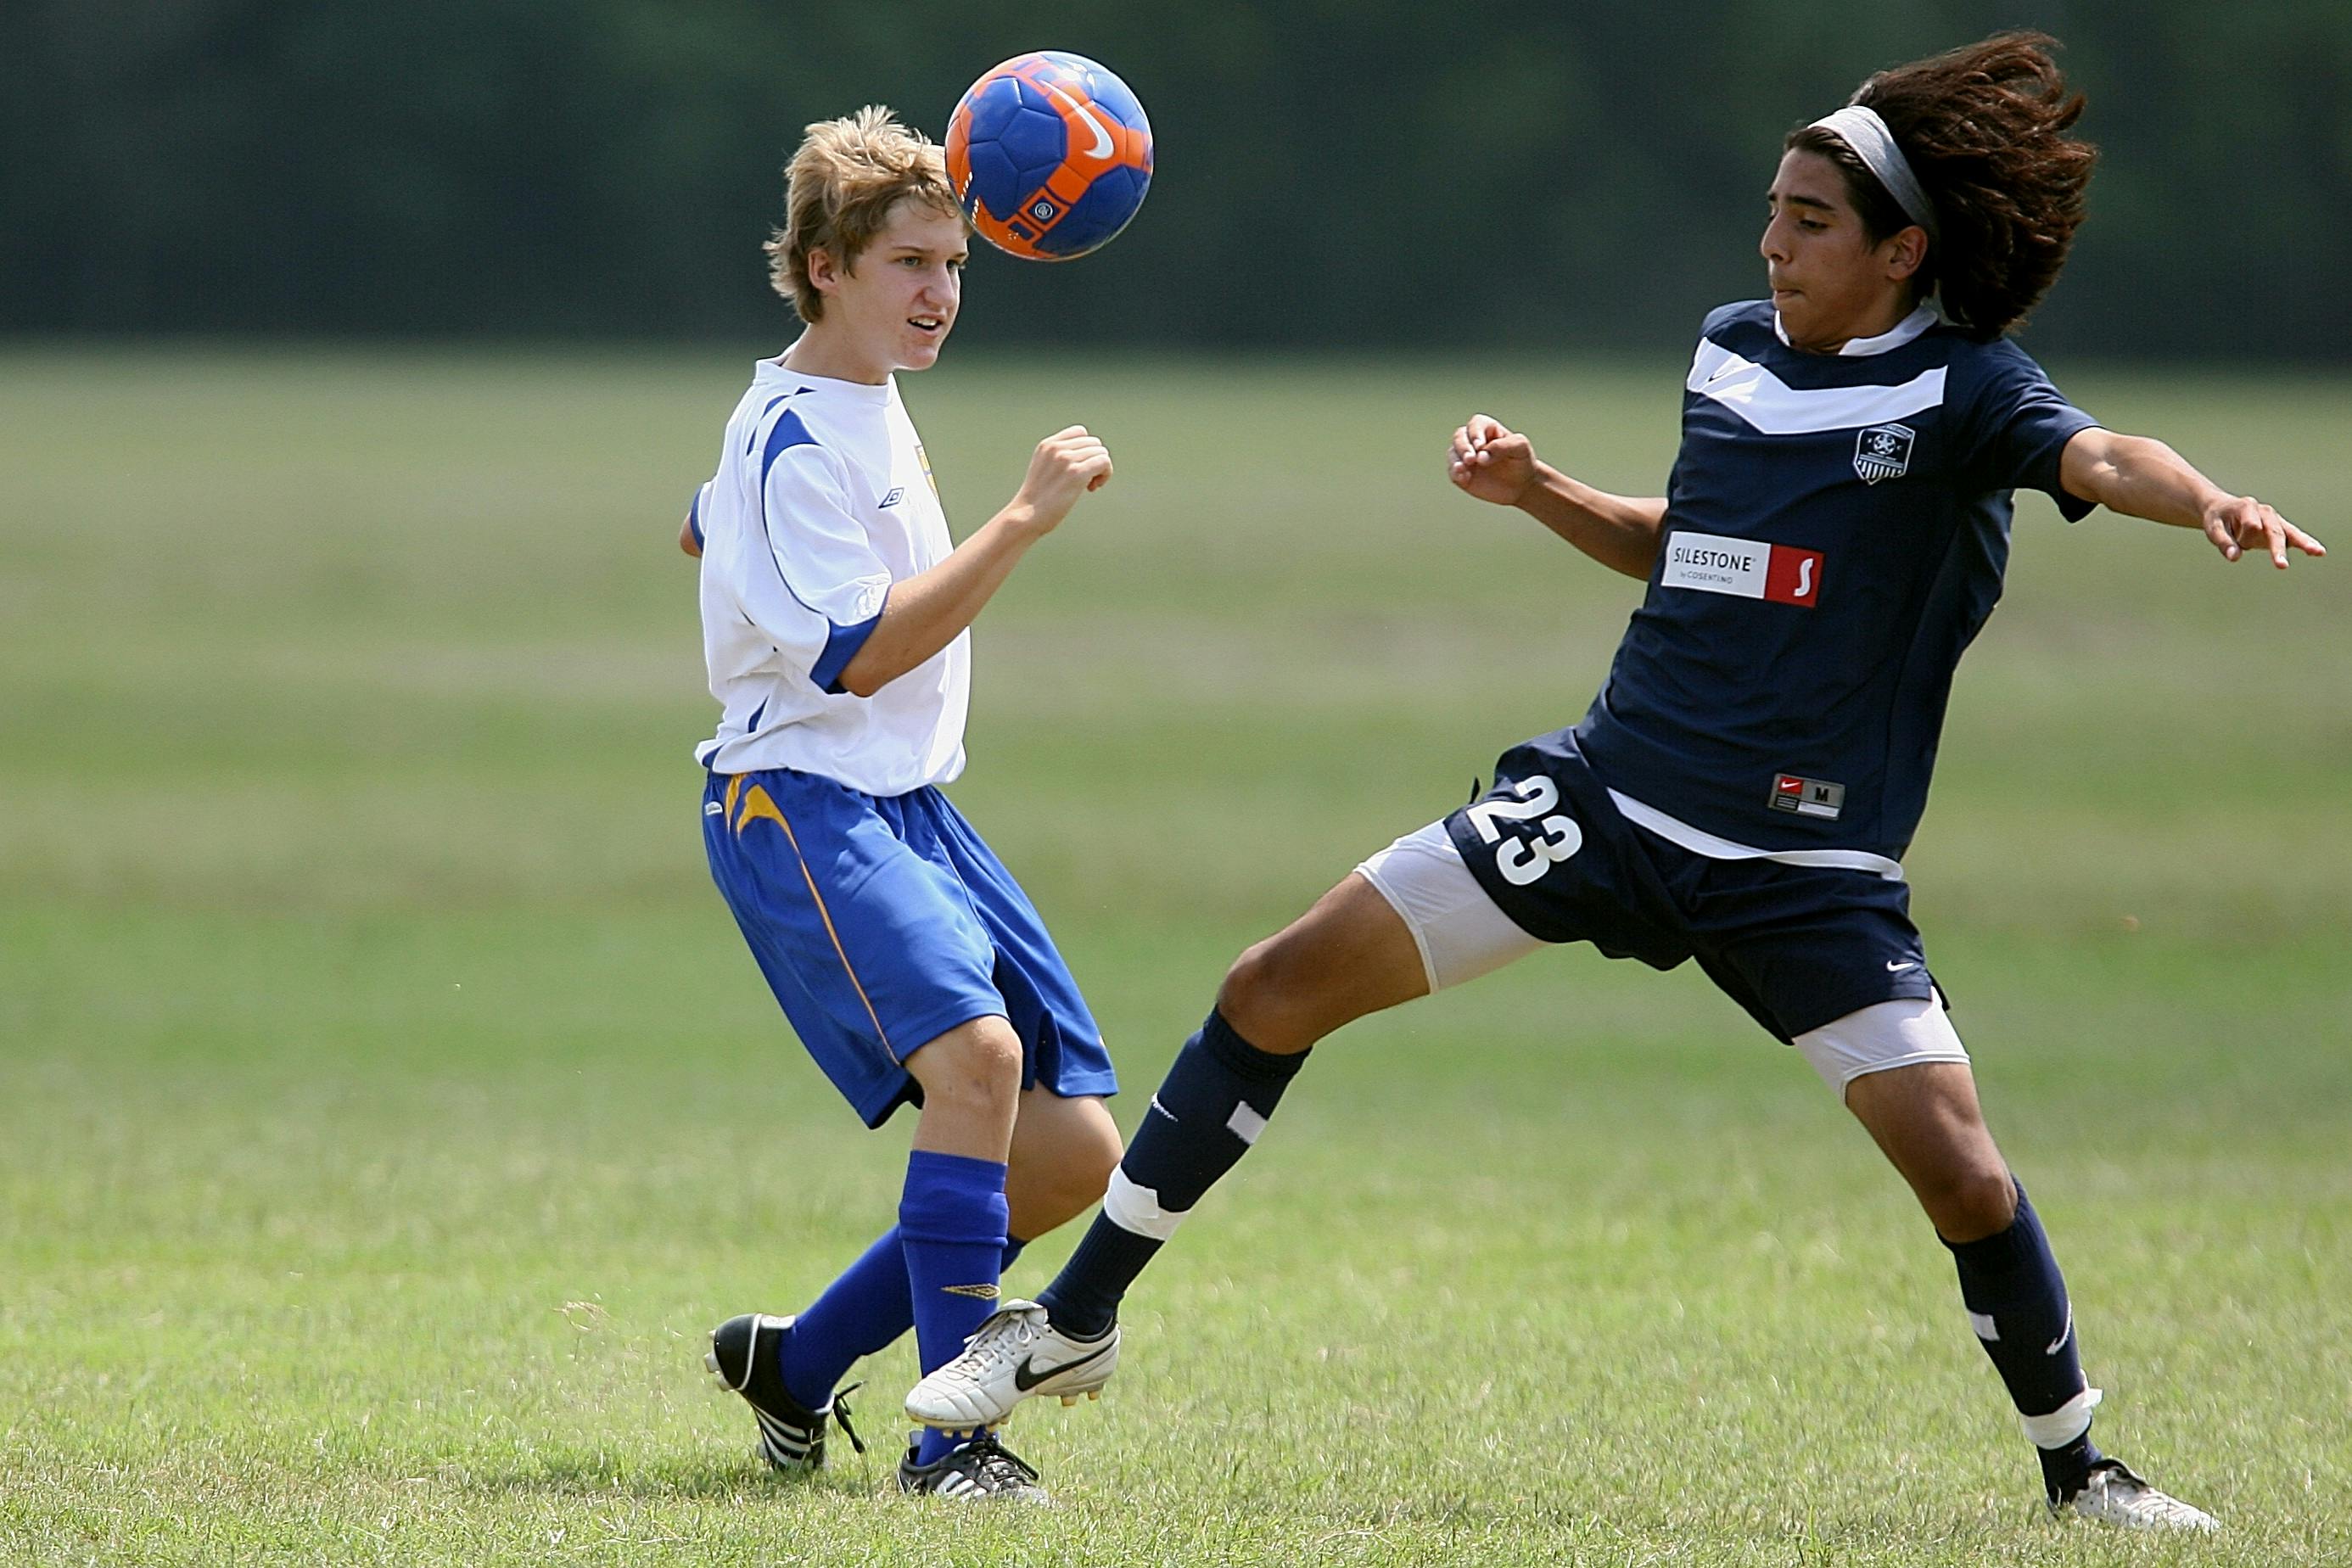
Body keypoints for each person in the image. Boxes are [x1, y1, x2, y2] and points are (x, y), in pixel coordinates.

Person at [902, 33, 2323, 1530]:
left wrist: (2208, 500)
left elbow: (2102, 456)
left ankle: (2081, 1471)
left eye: (1812, 222)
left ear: (1906, 252)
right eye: (1772, 208)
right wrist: (1541, 494)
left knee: (1964, 1176)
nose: (1772, 241)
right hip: (1605, 801)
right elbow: (1695, 543)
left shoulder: (1967, 394)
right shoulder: (1729, 349)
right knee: (1273, 986)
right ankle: (1071, 1322)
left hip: (1801, 873)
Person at [680, 105, 1125, 1503]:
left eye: (955, 265)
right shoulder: (799, 435)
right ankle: (953, 1450)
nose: (939, 293)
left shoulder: (853, 402)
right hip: (800, 803)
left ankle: (798, 1366)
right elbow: (857, 652)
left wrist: (717, 525)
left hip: (910, 803)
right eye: (909, 265)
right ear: (824, 266)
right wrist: (1022, 521)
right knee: (979, 1066)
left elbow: (708, 516)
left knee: (1066, 1155)